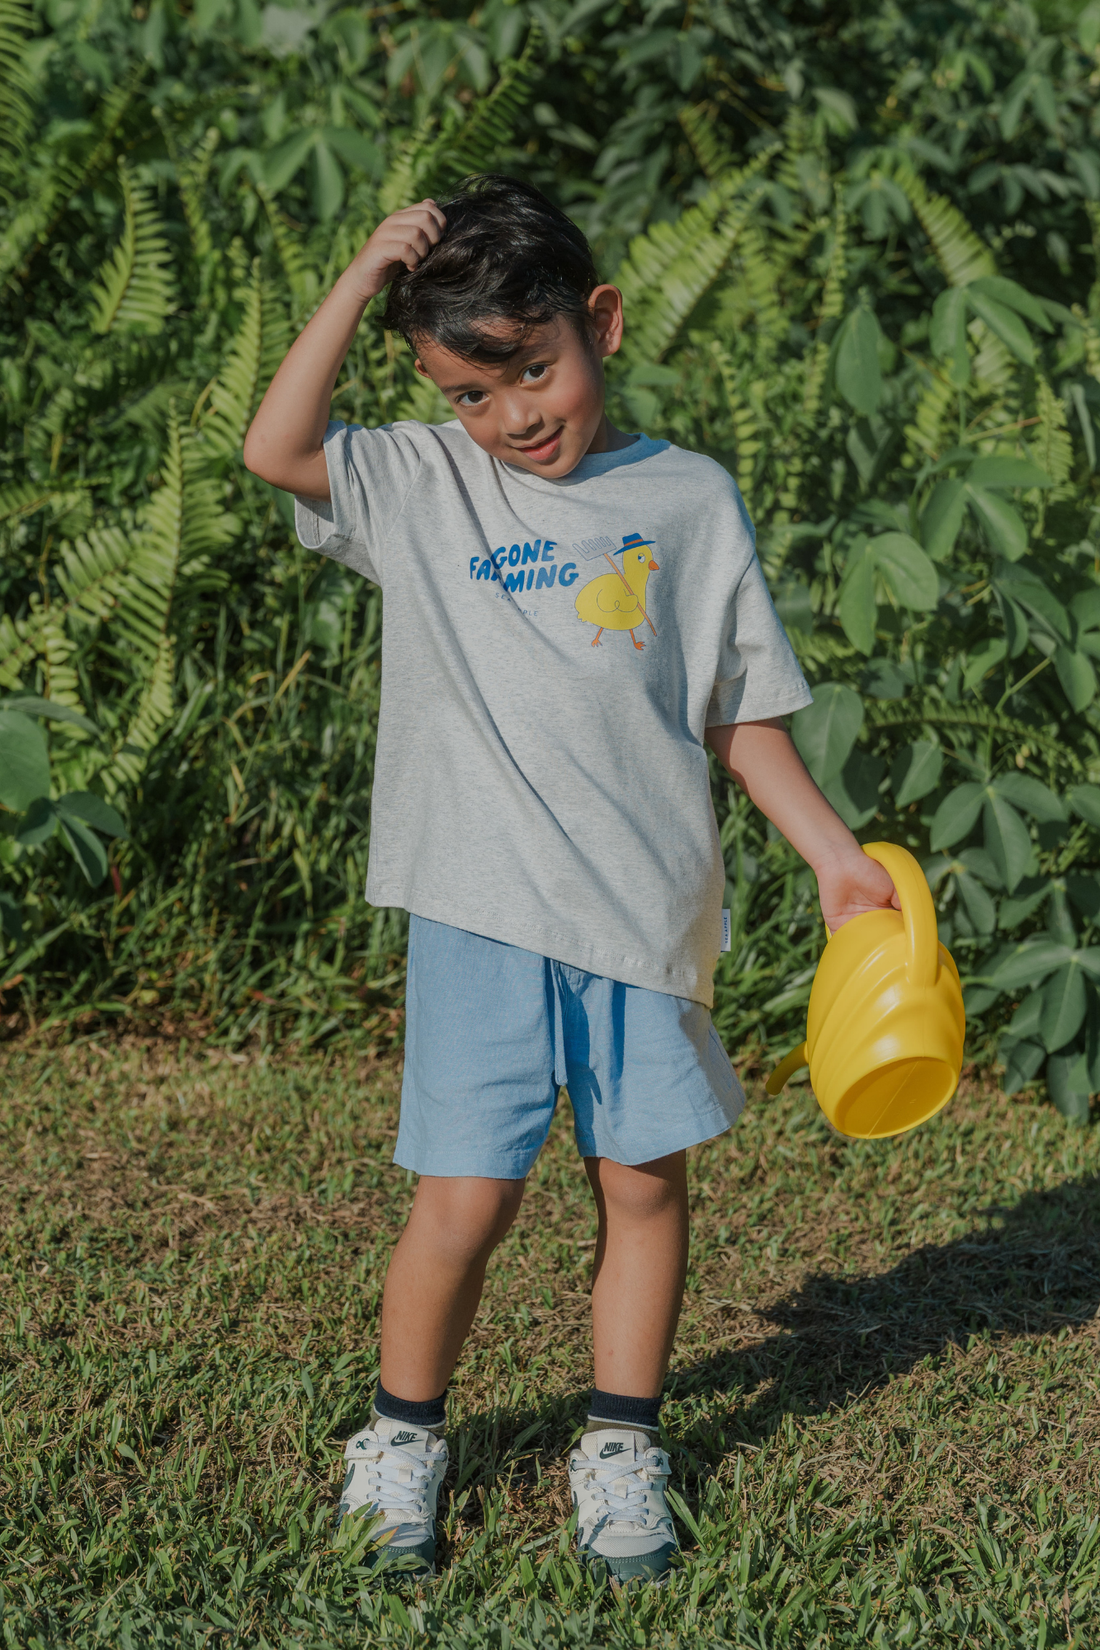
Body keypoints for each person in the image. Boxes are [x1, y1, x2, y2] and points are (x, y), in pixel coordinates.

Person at [243, 173, 898, 1587]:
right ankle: (404, 1436)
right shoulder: (424, 480)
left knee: (644, 1188)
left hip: (644, 916)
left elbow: (736, 707)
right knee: (463, 1201)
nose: (513, 417)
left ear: (598, 321)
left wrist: (835, 856)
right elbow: (275, 446)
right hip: (479, 913)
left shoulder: (689, 498)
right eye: (473, 392)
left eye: (533, 370)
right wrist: (361, 280)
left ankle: (620, 1443)